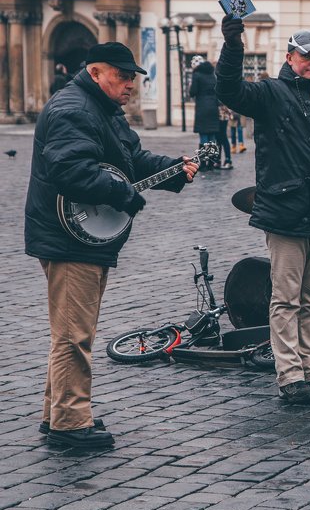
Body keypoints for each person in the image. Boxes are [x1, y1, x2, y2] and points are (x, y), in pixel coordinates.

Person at [24, 42, 198, 448]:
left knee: (70, 331)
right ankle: (70, 425)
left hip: (80, 236)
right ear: (97, 73)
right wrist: (126, 197)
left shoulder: (100, 110)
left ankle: (61, 414)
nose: (130, 85)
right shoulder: (75, 109)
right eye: (122, 77)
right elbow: (71, 171)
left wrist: (173, 171)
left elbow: (131, 159)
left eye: (133, 78)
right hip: (70, 238)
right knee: (73, 335)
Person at [217, 17, 310, 404]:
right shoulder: (271, 92)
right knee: (286, 299)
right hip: (285, 211)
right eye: (306, 55)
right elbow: (230, 90)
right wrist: (233, 46)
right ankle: (290, 375)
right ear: (290, 58)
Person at [189, 56, 221, 170]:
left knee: (203, 136)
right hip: (213, 107)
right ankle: (211, 164)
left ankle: (203, 164)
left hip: (202, 107)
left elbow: (193, 92)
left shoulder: (197, 75)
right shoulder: (213, 75)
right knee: (212, 137)